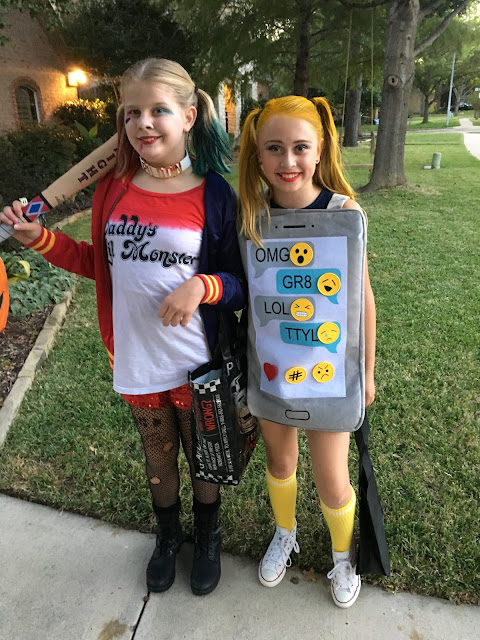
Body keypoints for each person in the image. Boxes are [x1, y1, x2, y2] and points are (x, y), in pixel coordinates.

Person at [1, 58, 246, 597]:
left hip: (196, 360)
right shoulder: (113, 189)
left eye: (159, 110)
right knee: (157, 454)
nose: (143, 123)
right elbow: (99, 264)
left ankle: (207, 536)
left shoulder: (214, 195)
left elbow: (240, 283)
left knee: (203, 455)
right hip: (137, 357)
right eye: (132, 112)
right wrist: (39, 239)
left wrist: (202, 286)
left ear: (189, 116)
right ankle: (168, 535)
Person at [237, 95, 376, 608]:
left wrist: (367, 372)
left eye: (300, 147)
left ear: (320, 151)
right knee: (279, 462)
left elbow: (362, 299)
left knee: (332, 479)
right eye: (274, 148)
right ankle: (285, 533)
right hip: (272, 372)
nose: (288, 160)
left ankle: (343, 556)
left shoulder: (345, 213)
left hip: (329, 375)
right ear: (258, 154)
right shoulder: (252, 214)